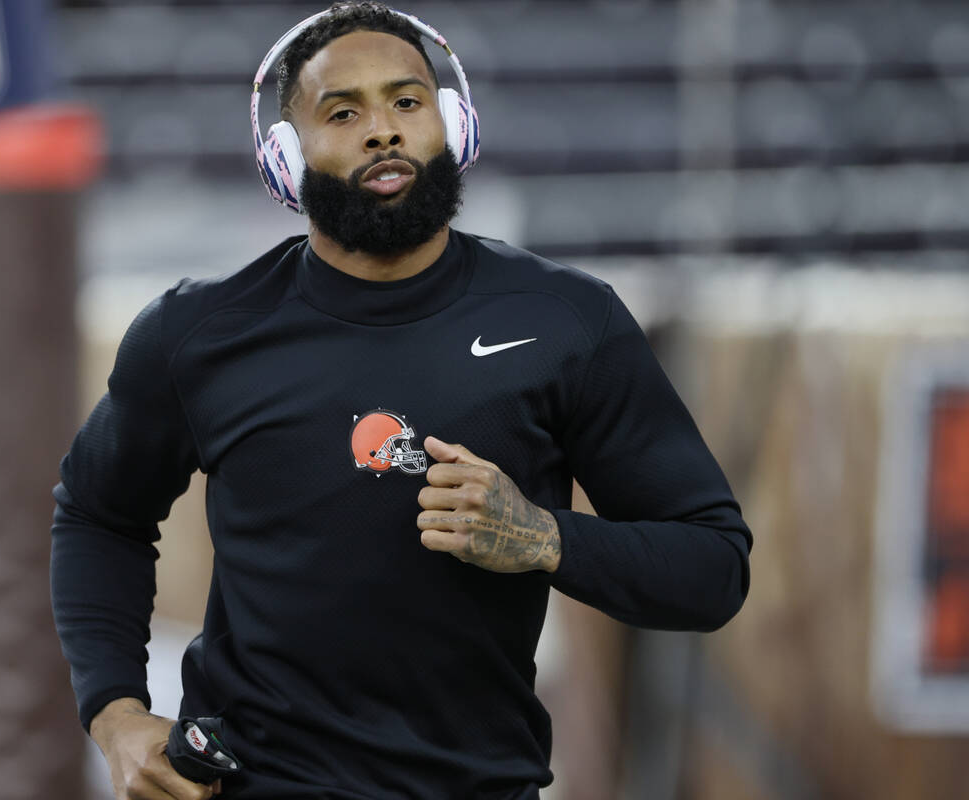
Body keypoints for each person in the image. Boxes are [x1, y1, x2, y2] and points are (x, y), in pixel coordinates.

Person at [50, 3, 752, 799]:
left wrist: (545, 539)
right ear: (284, 155)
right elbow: (98, 515)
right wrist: (115, 714)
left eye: (407, 102)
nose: (382, 130)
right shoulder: (199, 334)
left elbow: (713, 568)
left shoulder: (566, 322)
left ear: (453, 124)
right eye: (342, 112)